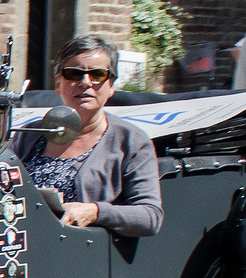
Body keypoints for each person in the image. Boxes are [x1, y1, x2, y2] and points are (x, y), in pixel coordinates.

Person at [10, 34, 162, 236]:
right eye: (74, 74)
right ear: (57, 84)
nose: (85, 82)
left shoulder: (131, 141)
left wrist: (95, 212)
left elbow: (150, 217)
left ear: (111, 86)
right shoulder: (30, 135)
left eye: (97, 75)